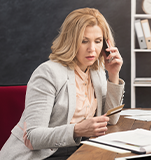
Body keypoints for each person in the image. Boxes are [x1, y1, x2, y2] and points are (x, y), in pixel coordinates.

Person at [0, 8, 125, 160]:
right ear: (71, 41)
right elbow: (33, 136)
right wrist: (76, 130)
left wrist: (113, 74)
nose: (92, 49)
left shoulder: (96, 71)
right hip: (41, 155)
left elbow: (111, 120)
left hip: (78, 149)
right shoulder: (48, 73)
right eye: (84, 41)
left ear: (106, 44)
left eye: (98, 41)